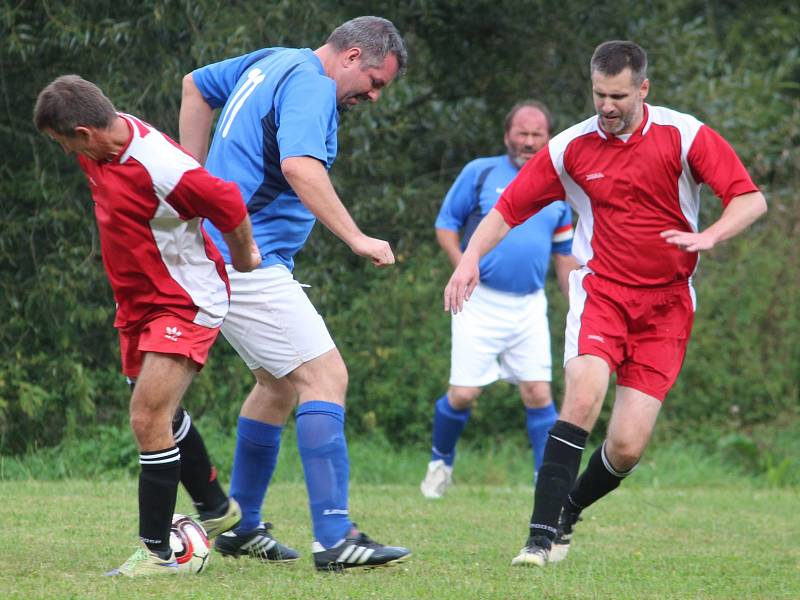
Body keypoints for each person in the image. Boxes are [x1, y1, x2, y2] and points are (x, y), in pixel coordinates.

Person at [443, 40, 767, 568]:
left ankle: (569, 510)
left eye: (618, 95)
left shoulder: (684, 135)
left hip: (667, 308)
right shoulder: (570, 147)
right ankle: (538, 539)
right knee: (581, 398)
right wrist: (469, 258)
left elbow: (750, 198)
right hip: (602, 293)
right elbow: (507, 208)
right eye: (599, 95)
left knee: (626, 448)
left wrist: (711, 235)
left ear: (643, 89)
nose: (607, 106)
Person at [178, 16, 411, 571]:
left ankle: (245, 525)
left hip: (224, 251)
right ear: (351, 57)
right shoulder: (311, 83)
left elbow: (194, 85)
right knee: (327, 378)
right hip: (246, 257)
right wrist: (357, 237)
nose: (374, 97)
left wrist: (194, 177)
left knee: (278, 386)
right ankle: (335, 537)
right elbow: (300, 166)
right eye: (375, 82)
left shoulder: (272, 58)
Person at [33, 75, 262, 577]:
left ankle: (160, 553)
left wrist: (244, 255)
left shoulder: (160, 167)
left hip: (182, 302)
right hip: (137, 305)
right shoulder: (99, 148)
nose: (63, 151)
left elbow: (226, 200)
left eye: (62, 141)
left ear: (84, 133)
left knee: (146, 418)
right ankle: (218, 509)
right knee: (160, 411)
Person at [420, 101, 578, 499]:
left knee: (539, 392)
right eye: (522, 134)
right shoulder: (480, 172)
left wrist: (580, 304)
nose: (528, 142)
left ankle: (548, 482)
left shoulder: (558, 187)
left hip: (529, 305)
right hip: (479, 301)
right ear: (508, 135)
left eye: (536, 135)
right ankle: (440, 465)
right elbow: (445, 226)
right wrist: (463, 268)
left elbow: (564, 256)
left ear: (548, 138)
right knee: (463, 394)